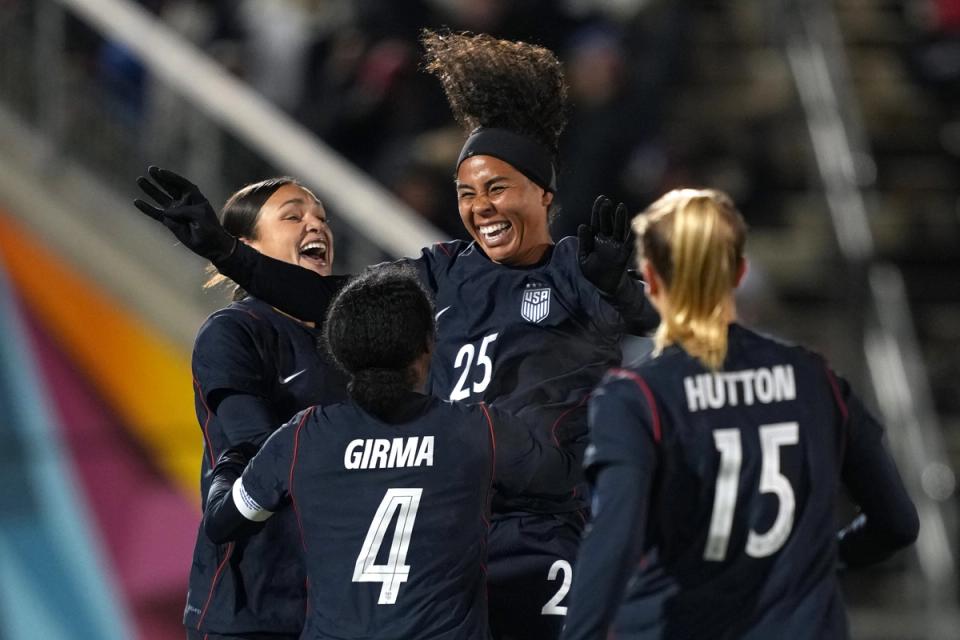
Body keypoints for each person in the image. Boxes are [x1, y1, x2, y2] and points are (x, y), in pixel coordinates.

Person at [135, 31, 659, 640]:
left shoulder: (577, 266)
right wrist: (227, 251)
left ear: (543, 195)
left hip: (545, 533)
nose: (481, 206)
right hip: (454, 523)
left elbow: (659, 322)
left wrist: (616, 289)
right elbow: (334, 298)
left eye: (497, 188)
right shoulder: (440, 270)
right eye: (466, 192)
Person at [561, 189, 920, 640]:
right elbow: (899, 523)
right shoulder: (816, 379)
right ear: (739, 273)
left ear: (649, 279)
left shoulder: (637, 398)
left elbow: (612, 547)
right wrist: (824, 557)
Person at [202, 266, 580, 639]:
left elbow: (224, 523)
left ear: (338, 349)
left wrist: (234, 459)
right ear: (429, 344)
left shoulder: (302, 435)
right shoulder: (479, 429)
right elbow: (565, 481)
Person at [151, 177, 349, 640]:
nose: (315, 224)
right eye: (293, 215)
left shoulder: (355, 337)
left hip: (341, 603)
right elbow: (254, 449)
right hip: (254, 607)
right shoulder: (235, 332)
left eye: (321, 217)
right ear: (245, 246)